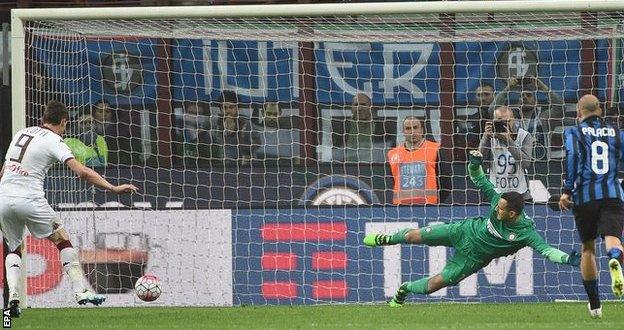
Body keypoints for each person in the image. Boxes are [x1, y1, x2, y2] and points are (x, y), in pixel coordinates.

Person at [365, 150, 580, 307]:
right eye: (498, 205)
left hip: (473, 258)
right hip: (463, 231)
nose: (496, 208)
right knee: (413, 236)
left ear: (512, 214)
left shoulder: (525, 233)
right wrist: (474, 161)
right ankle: (388, 239)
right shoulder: (499, 199)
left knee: (433, 286)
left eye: (501, 209)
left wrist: (565, 259)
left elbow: (547, 250)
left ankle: (404, 289)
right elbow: (478, 177)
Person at [0, 100, 138, 317]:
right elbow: (82, 172)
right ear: (63, 122)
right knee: (61, 239)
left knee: (13, 248)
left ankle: (12, 300)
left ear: (43, 119)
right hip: (30, 199)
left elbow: (4, 171)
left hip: (4, 198)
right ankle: (80, 291)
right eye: (65, 125)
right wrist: (113, 187)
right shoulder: (55, 140)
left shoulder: (21, 133)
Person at [558, 94, 624, 318]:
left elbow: (573, 157)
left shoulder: (573, 131)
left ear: (579, 112)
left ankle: (595, 305)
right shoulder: (616, 132)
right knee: (613, 237)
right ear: (600, 110)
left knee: (588, 248)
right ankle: (614, 257)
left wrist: (567, 190)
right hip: (613, 193)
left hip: (585, 196)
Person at [488, 76, 566, 156]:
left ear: (536, 102)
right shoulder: (510, 118)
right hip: (517, 161)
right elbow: (492, 110)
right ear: (518, 102)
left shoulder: (544, 117)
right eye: (521, 96)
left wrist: (543, 87)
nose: (524, 97)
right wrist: (508, 88)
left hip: (541, 163)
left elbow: (561, 108)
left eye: (528, 95)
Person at [387, 116, 450, 204]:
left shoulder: (435, 149)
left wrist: (436, 202)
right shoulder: (393, 154)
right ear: (403, 132)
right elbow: (393, 182)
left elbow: (446, 183)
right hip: (400, 209)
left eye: (415, 127)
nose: (412, 132)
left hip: (429, 207)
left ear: (422, 130)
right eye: (408, 129)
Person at [479, 106, 535, 201]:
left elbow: (525, 163)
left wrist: (508, 141)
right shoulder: (490, 137)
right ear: (493, 121)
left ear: (513, 120)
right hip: (495, 192)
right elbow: (479, 161)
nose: (504, 125)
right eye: (500, 122)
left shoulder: (524, 136)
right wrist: (486, 137)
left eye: (507, 121)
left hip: (520, 193)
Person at [211, 90, 258, 164]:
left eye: (231, 107)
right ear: (220, 109)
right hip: (223, 165)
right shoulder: (214, 123)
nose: (228, 110)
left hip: (245, 166)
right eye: (225, 108)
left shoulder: (247, 124)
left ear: (237, 108)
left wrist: (242, 136)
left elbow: (258, 143)